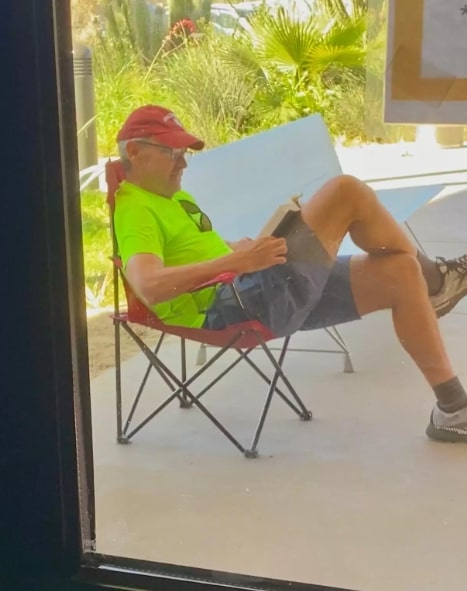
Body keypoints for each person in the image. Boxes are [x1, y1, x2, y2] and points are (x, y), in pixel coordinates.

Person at [113, 104, 467, 443]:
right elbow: (149, 286)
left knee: (401, 272)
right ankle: (438, 281)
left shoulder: (173, 198)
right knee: (344, 191)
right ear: (135, 152)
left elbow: (196, 249)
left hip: (249, 287)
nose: (183, 163)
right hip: (227, 307)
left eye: (184, 152)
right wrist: (236, 263)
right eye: (172, 153)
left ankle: (453, 411)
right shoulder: (135, 210)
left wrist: (239, 248)